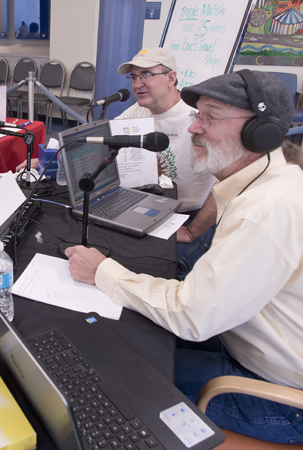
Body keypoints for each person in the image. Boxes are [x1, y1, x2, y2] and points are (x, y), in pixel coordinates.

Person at [66, 71, 303, 445]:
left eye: (211, 116)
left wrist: (103, 271)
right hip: (244, 341)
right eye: (197, 115)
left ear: (261, 134)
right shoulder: (269, 183)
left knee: (117, 370)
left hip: (281, 397)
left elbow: (193, 315)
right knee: (136, 330)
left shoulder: (265, 211)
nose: (194, 127)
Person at [116, 48, 217, 280]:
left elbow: (228, 182)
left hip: (191, 216)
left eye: (146, 75)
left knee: (163, 267)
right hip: (148, 208)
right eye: (134, 76)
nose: (137, 84)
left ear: (171, 78)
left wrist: (192, 231)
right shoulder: (139, 110)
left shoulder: (199, 118)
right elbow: (106, 136)